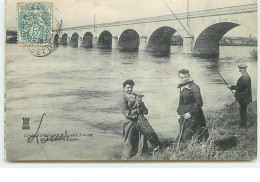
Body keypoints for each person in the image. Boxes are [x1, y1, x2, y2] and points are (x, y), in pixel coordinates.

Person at [176, 69, 209, 143]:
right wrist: (179, 113)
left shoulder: (195, 87)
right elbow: (181, 102)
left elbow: (199, 103)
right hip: (183, 112)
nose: (184, 79)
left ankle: (193, 149)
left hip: (194, 113)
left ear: (189, 76)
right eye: (181, 77)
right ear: (179, 78)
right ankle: (182, 149)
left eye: (186, 77)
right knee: (182, 132)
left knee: (188, 135)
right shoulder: (182, 86)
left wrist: (190, 113)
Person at [120, 79, 148, 159]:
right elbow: (126, 112)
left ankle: (141, 154)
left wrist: (142, 108)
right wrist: (137, 112)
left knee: (143, 135)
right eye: (128, 87)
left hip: (139, 119)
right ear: (124, 89)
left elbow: (145, 110)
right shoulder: (123, 98)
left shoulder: (136, 96)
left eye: (131, 87)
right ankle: (126, 156)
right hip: (130, 121)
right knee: (129, 140)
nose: (129, 89)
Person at [229, 64, 252, 128]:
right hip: (244, 97)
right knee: (243, 111)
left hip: (243, 98)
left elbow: (239, 88)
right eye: (239, 69)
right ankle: (243, 125)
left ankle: (243, 126)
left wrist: (231, 87)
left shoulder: (244, 78)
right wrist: (236, 93)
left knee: (242, 112)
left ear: (244, 69)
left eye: (240, 69)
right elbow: (241, 88)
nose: (239, 70)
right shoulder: (246, 76)